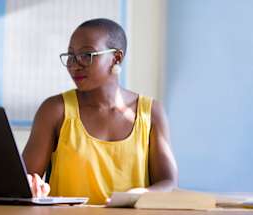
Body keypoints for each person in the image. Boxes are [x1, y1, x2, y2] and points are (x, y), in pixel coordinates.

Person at [22, 18, 178, 204]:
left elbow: (168, 182)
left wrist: (141, 195)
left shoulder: (151, 113)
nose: (74, 64)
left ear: (116, 58)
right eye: (71, 56)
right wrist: (32, 185)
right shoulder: (55, 110)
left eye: (87, 55)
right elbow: (25, 181)